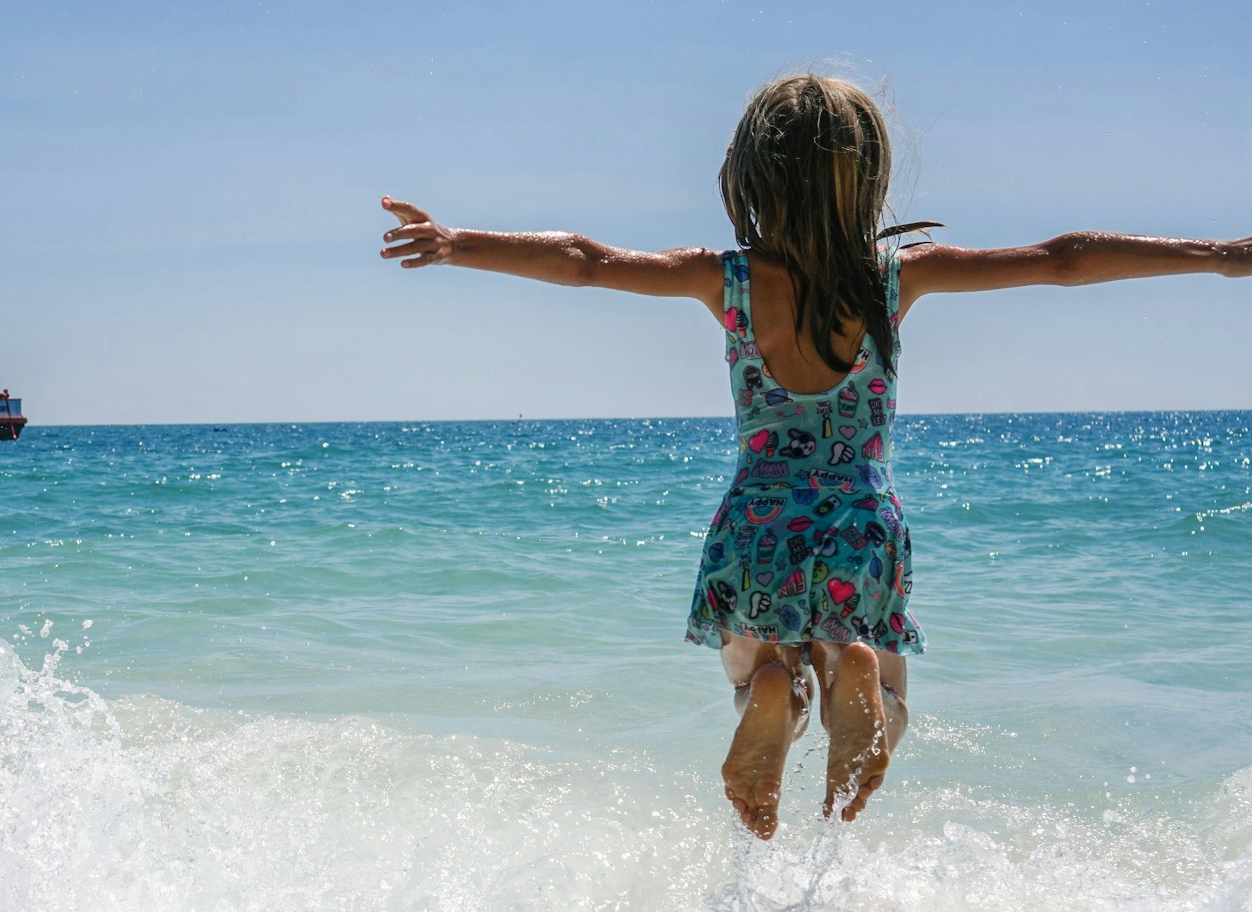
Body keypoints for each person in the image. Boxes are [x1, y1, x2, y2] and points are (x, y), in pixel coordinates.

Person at [377, 73, 1249, 839]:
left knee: (752, 661)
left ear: (749, 173)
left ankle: (773, 692)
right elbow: (1063, 261)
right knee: (884, 692)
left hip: (754, 520)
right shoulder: (899, 277)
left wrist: (458, 243)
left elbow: (586, 262)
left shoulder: (720, 279)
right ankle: (854, 680)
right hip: (859, 522)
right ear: (868, 173)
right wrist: (1217, 256)